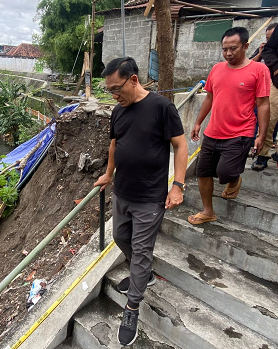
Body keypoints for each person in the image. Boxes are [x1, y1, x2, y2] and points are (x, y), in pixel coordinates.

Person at [94, 57, 188, 346]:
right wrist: (109, 174)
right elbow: (114, 144)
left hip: (150, 197)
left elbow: (180, 144)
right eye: (109, 90)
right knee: (121, 236)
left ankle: (132, 307)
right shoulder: (118, 112)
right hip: (123, 192)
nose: (113, 95)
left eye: (116, 88)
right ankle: (142, 274)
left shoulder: (161, 107)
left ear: (133, 79)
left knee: (141, 249)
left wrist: (178, 185)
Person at [188, 27, 270, 224]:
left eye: (233, 48)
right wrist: (198, 122)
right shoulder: (217, 69)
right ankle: (208, 211)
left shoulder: (259, 70)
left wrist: (261, 136)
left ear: (246, 46)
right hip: (213, 131)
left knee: (225, 172)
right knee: (203, 171)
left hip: (240, 132)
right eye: (224, 49)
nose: (228, 53)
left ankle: (234, 179)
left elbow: (263, 104)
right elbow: (209, 97)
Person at [258, 23, 278, 168]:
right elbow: (268, 50)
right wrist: (276, 68)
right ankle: (263, 154)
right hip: (276, 83)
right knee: (269, 118)